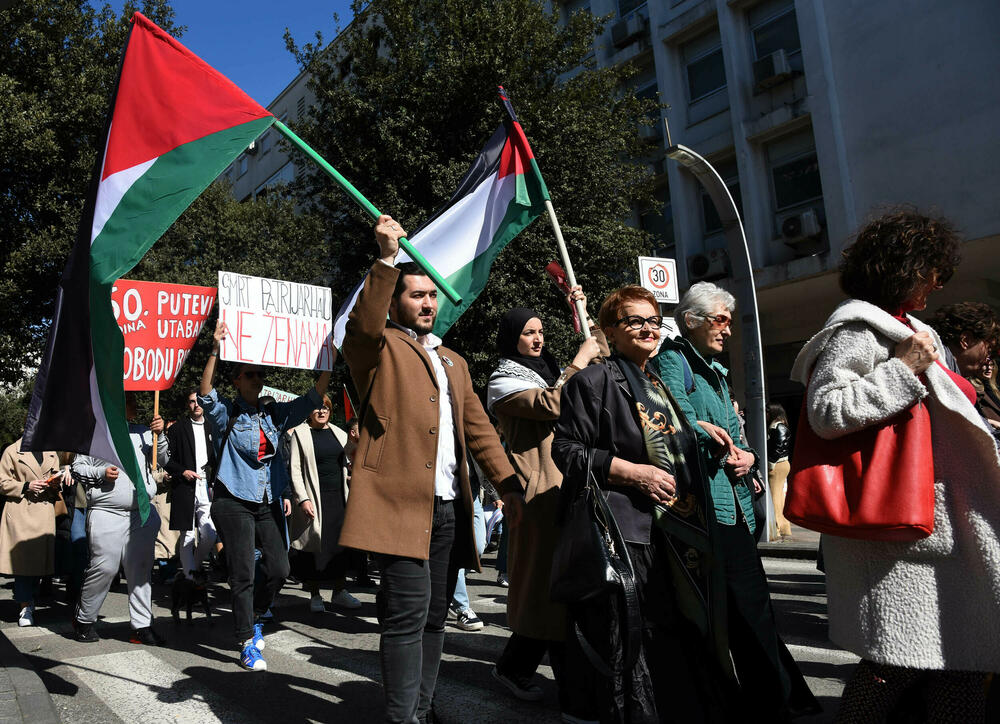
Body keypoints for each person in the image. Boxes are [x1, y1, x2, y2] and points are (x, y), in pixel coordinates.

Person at [791, 210, 1000, 721]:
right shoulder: (859, 330)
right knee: (899, 664)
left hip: (939, 525)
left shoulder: (915, 328)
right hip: (901, 534)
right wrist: (903, 370)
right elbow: (827, 412)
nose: (938, 281)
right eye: (932, 269)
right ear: (904, 267)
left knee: (962, 660)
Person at [340, 215, 519, 724]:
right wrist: (384, 259)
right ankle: (403, 719)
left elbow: (480, 431)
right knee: (404, 620)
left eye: (431, 296)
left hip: (448, 511)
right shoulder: (379, 350)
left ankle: (421, 708)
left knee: (436, 619)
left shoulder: (454, 361)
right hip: (398, 509)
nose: (427, 303)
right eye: (415, 295)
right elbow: (361, 331)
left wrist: (509, 486)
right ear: (397, 302)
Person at [552, 285, 734, 723]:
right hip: (623, 530)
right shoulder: (593, 381)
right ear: (610, 331)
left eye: (653, 320)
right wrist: (634, 472)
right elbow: (567, 451)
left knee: (666, 636)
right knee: (626, 640)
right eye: (634, 320)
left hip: (672, 529)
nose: (647, 329)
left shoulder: (658, 384)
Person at [650, 281, 816, 720]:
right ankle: (771, 698)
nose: (727, 330)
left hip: (736, 504)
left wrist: (748, 456)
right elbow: (673, 424)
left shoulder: (716, 372)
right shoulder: (673, 361)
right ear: (692, 321)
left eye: (728, 321)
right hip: (706, 508)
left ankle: (778, 695)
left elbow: (736, 431)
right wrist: (706, 436)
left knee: (750, 605)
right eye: (720, 320)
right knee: (733, 608)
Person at [486, 299, 604, 709]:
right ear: (511, 338)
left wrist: (584, 316)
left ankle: (534, 670)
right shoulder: (503, 380)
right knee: (545, 587)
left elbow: (598, 360)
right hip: (538, 496)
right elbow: (554, 404)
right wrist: (579, 358)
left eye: (539, 331)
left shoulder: (552, 371)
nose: (537, 339)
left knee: (565, 588)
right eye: (527, 332)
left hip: (574, 489)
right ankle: (534, 673)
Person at [199, 322, 330, 672]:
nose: (257, 379)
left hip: (266, 501)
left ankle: (255, 615)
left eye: (261, 374)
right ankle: (246, 641)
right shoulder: (227, 412)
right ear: (237, 381)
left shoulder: (275, 413)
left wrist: (329, 359)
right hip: (233, 499)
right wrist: (214, 348)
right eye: (250, 374)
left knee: (279, 567)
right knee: (242, 572)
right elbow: (205, 394)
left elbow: (312, 400)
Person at [71, 393, 168, 644]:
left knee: (140, 570)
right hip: (107, 512)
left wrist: (161, 435)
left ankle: (142, 625)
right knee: (105, 566)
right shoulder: (96, 434)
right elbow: (78, 467)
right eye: (130, 402)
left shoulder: (145, 432)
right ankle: (84, 618)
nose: (136, 406)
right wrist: (101, 472)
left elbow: (164, 459)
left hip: (141, 513)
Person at [284, 393, 361, 613]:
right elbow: (295, 470)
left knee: (339, 546)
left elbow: (350, 459)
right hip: (314, 498)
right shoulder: (300, 433)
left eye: (325, 408)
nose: (321, 411)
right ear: (310, 411)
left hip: (338, 497)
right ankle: (315, 594)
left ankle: (339, 591)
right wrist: (303, 499)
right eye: (317, 408)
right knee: (315, 546)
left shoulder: (339, 433)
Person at [0, 441, 71, 626]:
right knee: (23, 564)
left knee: (39, 563)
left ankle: (29, 600)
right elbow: (2, 481)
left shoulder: (51, 452)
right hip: (21, 510)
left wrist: (56, 482)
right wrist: (26, 486)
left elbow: (57, 480)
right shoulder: (12, 451)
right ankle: (25, 605)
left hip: (44, 511)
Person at [164, 390, 218, 579]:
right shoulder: (177, 429)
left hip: (206, 487)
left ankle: (194, 566)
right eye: (191, 402)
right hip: (185, 487)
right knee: (186, 536)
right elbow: (166, 459)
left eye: (198, 401)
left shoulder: (212, 427)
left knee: (210, 534)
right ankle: (189, 578)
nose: (195, 405)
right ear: (188, 405)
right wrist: (182, 472)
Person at [766, 402, 793, 537]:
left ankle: (775, 529)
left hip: (777, 465)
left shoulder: (777, 427)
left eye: (767, 412)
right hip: (782, 464)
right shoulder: (781, 426)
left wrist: (770, 463)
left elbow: (779, 446)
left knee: (775, 497)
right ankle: (783, 528)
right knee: (780, 496)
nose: (765, 414)